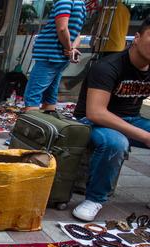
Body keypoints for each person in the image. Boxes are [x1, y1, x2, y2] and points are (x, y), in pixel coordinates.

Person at [71, 17, 150, 221]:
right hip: (94, 121)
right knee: (116, 143)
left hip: (132, 118)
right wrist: (144, 135)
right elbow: (96, 112)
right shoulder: (108, 66)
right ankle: (95, 198)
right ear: (138, 38)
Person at [23, 0, 86, 112]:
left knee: (32, 96)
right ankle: (48, 124)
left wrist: (69, 48)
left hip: (50, 54)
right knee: (50, 96)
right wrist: (71, 48)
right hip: (58, 56)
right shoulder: (81, 4)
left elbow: (62, 28)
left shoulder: (65, 1)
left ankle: (31, 127)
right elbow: (77, 34)